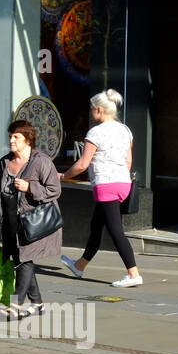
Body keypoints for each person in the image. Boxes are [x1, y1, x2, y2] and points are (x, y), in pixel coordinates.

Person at [60, 88, 142, 288]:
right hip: (123, 184)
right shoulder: (125, 130)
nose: (90, 111)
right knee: (97, 226)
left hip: (106, 185)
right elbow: (128, 161)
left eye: (91, 108)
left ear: (99, 109)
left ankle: (133, 274)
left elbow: (82, 164)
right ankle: (80, 265)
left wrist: (62, 176)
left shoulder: (95, 132)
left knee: (115, 231)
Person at [0, 119, 63, 318]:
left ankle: (16, 305)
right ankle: (37, 303)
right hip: (10, 222)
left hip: (33, 222)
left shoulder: (41, 161)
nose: (11, 141)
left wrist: (30, 188)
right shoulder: (4, 162)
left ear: (27, 140)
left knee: (25, 260)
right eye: (10, 136)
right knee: (20, 260)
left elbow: (55, 190)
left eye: (16, 137)